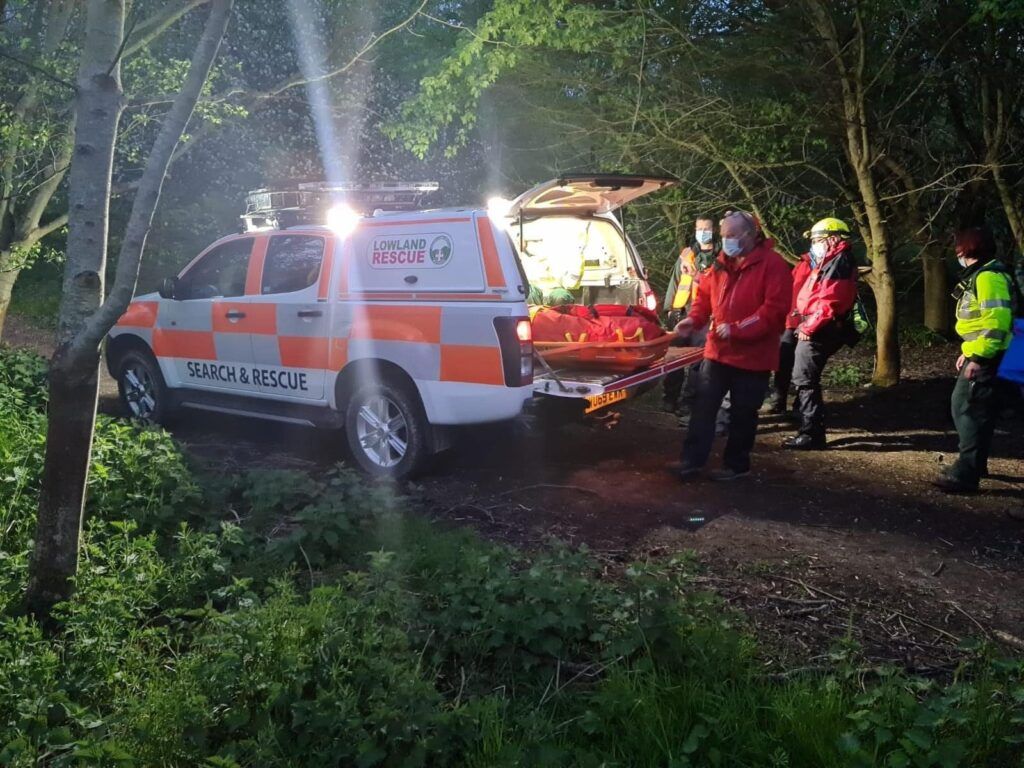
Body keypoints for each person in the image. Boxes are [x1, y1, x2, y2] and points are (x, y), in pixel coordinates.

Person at [674, 210, 791, 481]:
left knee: (743, 413)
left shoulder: (773, 266)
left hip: (754, 357)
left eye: (732, 235)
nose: (725, 240)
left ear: (751, 235)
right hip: (717, 352)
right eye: (723, 235)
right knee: (703, 408)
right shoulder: (720, 262)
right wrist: (694, 319)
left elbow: (774, 311)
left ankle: (736, 466)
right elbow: (703, 294)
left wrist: (737, 330)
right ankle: (690, 462)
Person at [933, 226, 1015, 493]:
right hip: (987, 351)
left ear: (966, 248)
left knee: (966, 407)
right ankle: (974, 466)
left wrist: (978, 356)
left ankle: (965, 474)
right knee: (978, 408)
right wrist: (969, 350)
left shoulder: (988, 277)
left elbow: (996, 322)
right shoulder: (984, 274)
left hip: (991, 354)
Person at [782, 218, 859, 449]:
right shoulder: (831, 261)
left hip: (819, 329)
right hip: (817, 325)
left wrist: (808, 327)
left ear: (832, 238)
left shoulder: (839, 262)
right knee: (804, 378)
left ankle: (811, 434)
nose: (813, 244)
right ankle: (810, 431)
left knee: (804, 379)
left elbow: (830, 301)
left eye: (817, 240)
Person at [662, 216, 717, 413]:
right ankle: (670, 398)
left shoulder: (721, 256)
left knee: (697, 362)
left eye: (707, 228)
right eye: (699, 228)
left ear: (714, 230)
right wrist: (669, 308)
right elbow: (675, 281)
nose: (702, 231)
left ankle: (689, 402)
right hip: (681, 311)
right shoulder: (686, 254)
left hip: (705, 315)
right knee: (674, 358)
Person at [762, 250, 813, 416]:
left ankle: (801, 406)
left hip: (811, 322)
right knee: (783, 360)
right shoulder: (803, 263)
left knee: (804, 365)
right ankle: (779, 400)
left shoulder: (828, 266)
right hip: (791, 320)